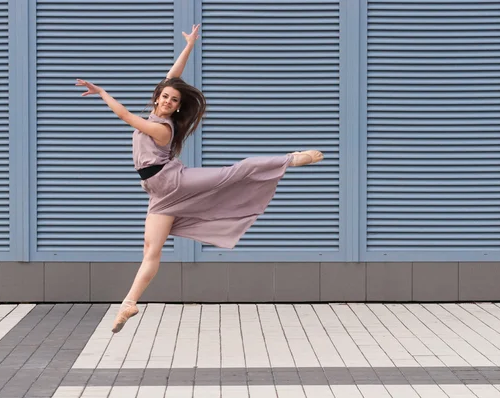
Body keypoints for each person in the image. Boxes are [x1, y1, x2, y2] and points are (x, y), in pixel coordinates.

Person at [76, 24, 323, 333]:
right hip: (159, 194)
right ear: (157, 97)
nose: (167, 101)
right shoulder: (157, 111)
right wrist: (189, 46)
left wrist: (102, 93)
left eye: (173, 100)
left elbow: (124, 115)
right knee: (151, 250)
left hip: (173, 181)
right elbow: (171, 76)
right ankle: (128, 303)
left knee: (234, 172)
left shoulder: (163, 128)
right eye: (165, 96)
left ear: (178, 107)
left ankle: (291, 158)